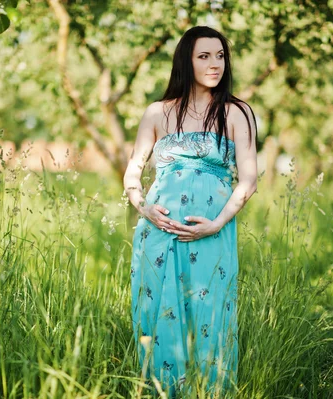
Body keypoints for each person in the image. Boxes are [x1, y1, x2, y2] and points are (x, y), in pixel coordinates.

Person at [123, 25, 258, 397]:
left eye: (220, 56)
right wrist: (144, 207)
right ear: (187, 60)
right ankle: (160, 392)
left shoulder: (236, 113)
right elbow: (133, 171)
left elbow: (249, 181)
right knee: (156, 316)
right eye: (204, 56)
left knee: (209, 315)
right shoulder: (157, 112)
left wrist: (215, 224)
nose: (215, 64)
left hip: (211, 235)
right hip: (157, 234)